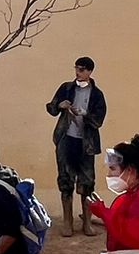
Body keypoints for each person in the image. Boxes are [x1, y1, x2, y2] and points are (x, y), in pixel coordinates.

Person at [45, 57, 106, 236]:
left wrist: (85, 114)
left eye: (81, 70)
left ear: (89, 72)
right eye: (76, 69)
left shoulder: (97, 94)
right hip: (66, 139)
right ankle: (67, 222)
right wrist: (60, 105)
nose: (77, 73)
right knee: (65, 180)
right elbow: (51, 108)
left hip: (86, 143)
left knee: (87, 183)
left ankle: (87, 223)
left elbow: (99, 119)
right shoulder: (66, 88)